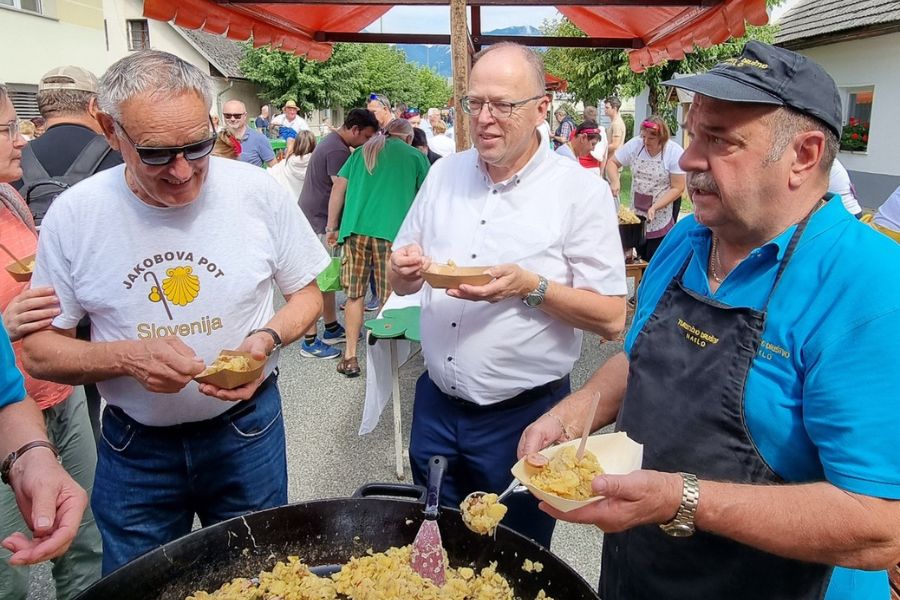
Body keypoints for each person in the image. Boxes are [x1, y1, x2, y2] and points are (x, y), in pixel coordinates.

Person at [519, 41, 900, 600]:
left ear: (804, 154)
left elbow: (878, 526)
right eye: (693, 134)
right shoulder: (687, 238)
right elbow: (639, 354)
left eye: (720, 140)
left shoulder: (870, 285)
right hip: (641, 574)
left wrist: (682, 499)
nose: (689, 159)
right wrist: (575, 414)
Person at [21, 49, 330, 574]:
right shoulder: (76, 215)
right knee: (139, 582)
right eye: (158, 154)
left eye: (198, 145)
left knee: (261, 576)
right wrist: (127, 358)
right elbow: (39, 350)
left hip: (245, 430)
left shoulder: (256, 192)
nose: (184, 171)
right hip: (135, 446)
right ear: (108, 129)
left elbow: (308, 296)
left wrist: (267, 340)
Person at [389, 42, 626, 548]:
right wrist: (403, 270)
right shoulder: (444, 173)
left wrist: (530, 287)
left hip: (524, 417)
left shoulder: (578, 191)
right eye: (474, 103)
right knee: (434, 548)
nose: (484, 118)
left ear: (543, 108)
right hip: (435, 404)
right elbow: (403, 279)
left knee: (514, 557)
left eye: (502, 105)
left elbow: (612, 317)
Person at [0, 84, 101, 600]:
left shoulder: (11, 198)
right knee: (8, 567)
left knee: (83, 531)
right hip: (9, 418)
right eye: (4, 130)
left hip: (47, 394)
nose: (21, 142)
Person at [15, 65, 124, 445]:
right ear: (95, 105)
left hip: (33, 311)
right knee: (93, 411)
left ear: (42, 109)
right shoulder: (117, 156)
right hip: (104, 307)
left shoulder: (16, 160)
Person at [326, 119, 429, 378]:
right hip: (392, 233)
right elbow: (427, 198)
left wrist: (332, 226)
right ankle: (383, 364)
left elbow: (339, 185)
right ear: (407, 137)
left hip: (355, 230)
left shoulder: (363, 151)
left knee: (354, 295)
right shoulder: (414, 156)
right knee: (388, 296)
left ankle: (350, 356)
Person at [298, 108, 379, 359]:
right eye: (366, 137)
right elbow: (341, 188)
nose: (366, 143)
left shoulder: (334, 143)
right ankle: (310, 341)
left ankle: (331, 326)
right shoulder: (338, 151)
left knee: (328, 278)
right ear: (354, 130)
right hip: (321, 221)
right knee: (316, 280)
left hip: (315, 218)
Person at [606, 115, 686, 261]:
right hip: (637, 211)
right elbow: (612, 163)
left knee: (655, 257)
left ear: (661, 138)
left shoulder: (673, 152)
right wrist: (615, 181)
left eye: (651, 138)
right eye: (643, 137)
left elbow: (678, 187)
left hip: (660, 212)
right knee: (639, 253)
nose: (645, 141)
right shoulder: (635, 145)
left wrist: (655, 207)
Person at [222, 99, 276, 168]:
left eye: (237, 116)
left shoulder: (259, 139)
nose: (232, 119)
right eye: (228, 115)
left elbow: (275, 168)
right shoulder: (218, 139)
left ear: (245, 115)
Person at [269, 130, 315, 199]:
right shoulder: (316, 163)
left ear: (296, 145)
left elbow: (272, 173)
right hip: (310, 204)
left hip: (291, 204)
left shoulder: (287, 162)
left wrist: (289, 149)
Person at [604, 96, 626, 165]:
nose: (605, 110)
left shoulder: (617, 124)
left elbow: (614, 145)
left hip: (613, 162)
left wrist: (601, 149)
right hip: (611, 160)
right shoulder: (614, 122)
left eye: (607, 108)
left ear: (615, 108)